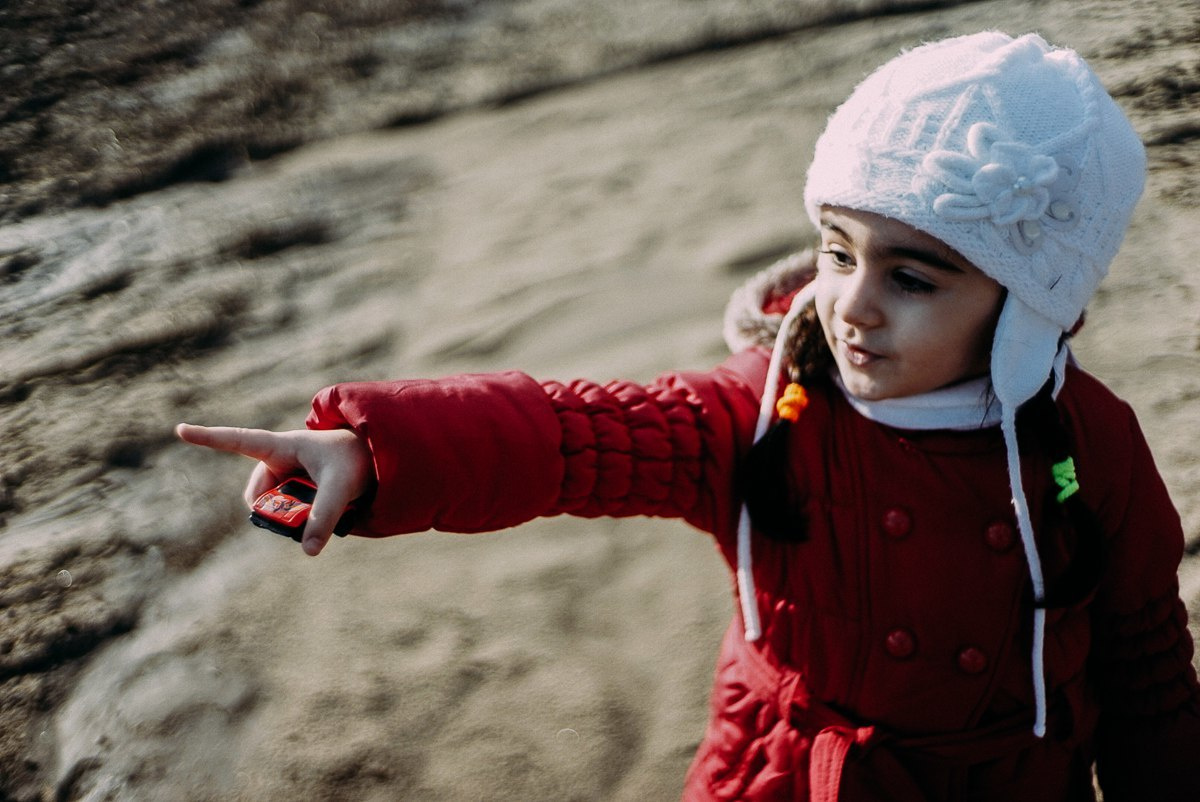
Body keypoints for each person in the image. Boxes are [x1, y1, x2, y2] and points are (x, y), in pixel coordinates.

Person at [176, 32, 1200, 801]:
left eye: (914, 275)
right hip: (780, 776)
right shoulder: (768, 411)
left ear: (1030, 301)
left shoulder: (1085, 445)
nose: (853, 302)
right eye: (840, 251)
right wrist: (379, 448)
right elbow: (583, 435)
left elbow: (1144, 659)